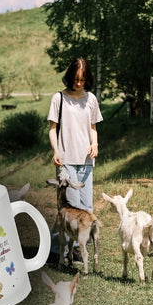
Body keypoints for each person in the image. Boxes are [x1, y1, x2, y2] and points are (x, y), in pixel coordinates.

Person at [47, 57, 103, 259]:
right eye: (75, 79)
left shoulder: (91, 99)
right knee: (69, 208)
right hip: (67, 160)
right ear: (69, 77)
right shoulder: (59, 99)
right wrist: (56, 151)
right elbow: (52, 129)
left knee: (86, 208)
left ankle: (77, 249)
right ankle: (56, 251)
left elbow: (92, 128)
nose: (78, 83)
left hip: (86, 161)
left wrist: (94, 143)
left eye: (82, 80)